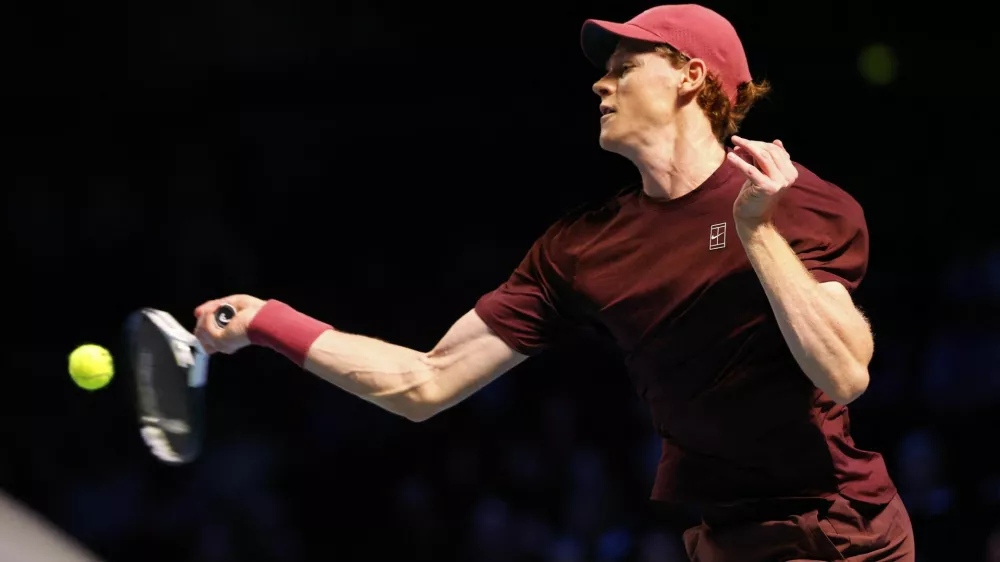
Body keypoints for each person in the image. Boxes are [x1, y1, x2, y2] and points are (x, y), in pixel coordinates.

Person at [193, 4, 915, 561]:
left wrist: (755, 231)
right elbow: (426, 381)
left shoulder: (792, 197)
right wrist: (267, 320)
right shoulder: (583, 247)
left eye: (625, 66)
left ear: (690, 75)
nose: (601, 82)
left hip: (835, 532)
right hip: (723, 541)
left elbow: (845, 372)